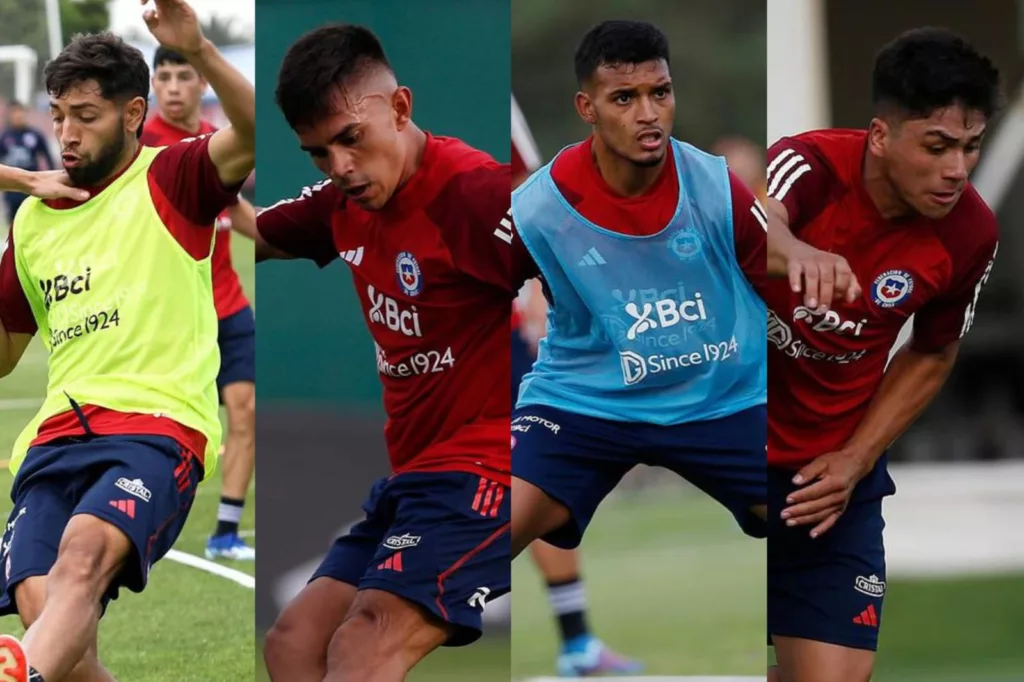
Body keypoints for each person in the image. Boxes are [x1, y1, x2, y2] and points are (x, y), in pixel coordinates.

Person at [0, 0, 255, 678]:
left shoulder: (173, 178)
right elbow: (4, 356)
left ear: (133, 115)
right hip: (54, 442)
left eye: (85, 116)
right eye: (58, 117)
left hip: (154, 430)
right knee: (43, 611)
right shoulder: (33, 222)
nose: (67, 135)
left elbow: (257, 131)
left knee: (82, 556)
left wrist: (197, 49)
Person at [256, 24, 511, 682]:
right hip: (413, 475)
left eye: (350, 139)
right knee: (292, 643)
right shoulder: (341, 204)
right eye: (317, 152)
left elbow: (591, 272)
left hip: (488, 463)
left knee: (364, 642)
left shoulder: (474, 193)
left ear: (399, 108)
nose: (339, 166)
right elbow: (245, 234)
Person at [508, 13, 767, 629]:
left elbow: (781, 274)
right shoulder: (538, 207)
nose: (648, 112)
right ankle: (576, 647)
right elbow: (464, 294)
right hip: (587, 403)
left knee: (823, 517)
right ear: (586, 106)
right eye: (624, 97)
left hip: (719, 398)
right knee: (468, 536)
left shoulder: (714, 183)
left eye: (660, 93)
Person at [764, 27, 1000, 682]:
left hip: (830, 480)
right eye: (937, 146)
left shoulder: (972, 232)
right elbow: (755, 221)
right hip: (733, 463)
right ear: (879, 136)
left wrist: (855, 458)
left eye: (971, 147)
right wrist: (801, 253)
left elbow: (932, 351)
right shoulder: (808, 163)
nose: (957, 168)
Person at [511, 92, 642, 678]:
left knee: (540, 487)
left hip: (503, 327)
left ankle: (577, 644)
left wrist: (543, 294)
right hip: (446, 335)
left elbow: (534, 196)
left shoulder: (497, 103)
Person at [141, 45, 257, 562]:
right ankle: (138, 517)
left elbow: (240, 212)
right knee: (167, 427)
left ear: (200, 84)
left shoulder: (216, 140)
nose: (171, 87)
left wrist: (301, 235)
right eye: (161, 76)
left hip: (228, 305)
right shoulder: (140, 147)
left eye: (181, 76)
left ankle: (226, 533)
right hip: (172, 316)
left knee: (246, 412)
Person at [0, 102, 56, 223]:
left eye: (20, 112)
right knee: (13, 222)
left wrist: (52, 177)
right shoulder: (5, 136)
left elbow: (47, 156)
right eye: (14, 113)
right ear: (10, 115)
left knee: (32, 221)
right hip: (12, 189)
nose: (18, 116)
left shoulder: (35, 135)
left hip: (32, 186)